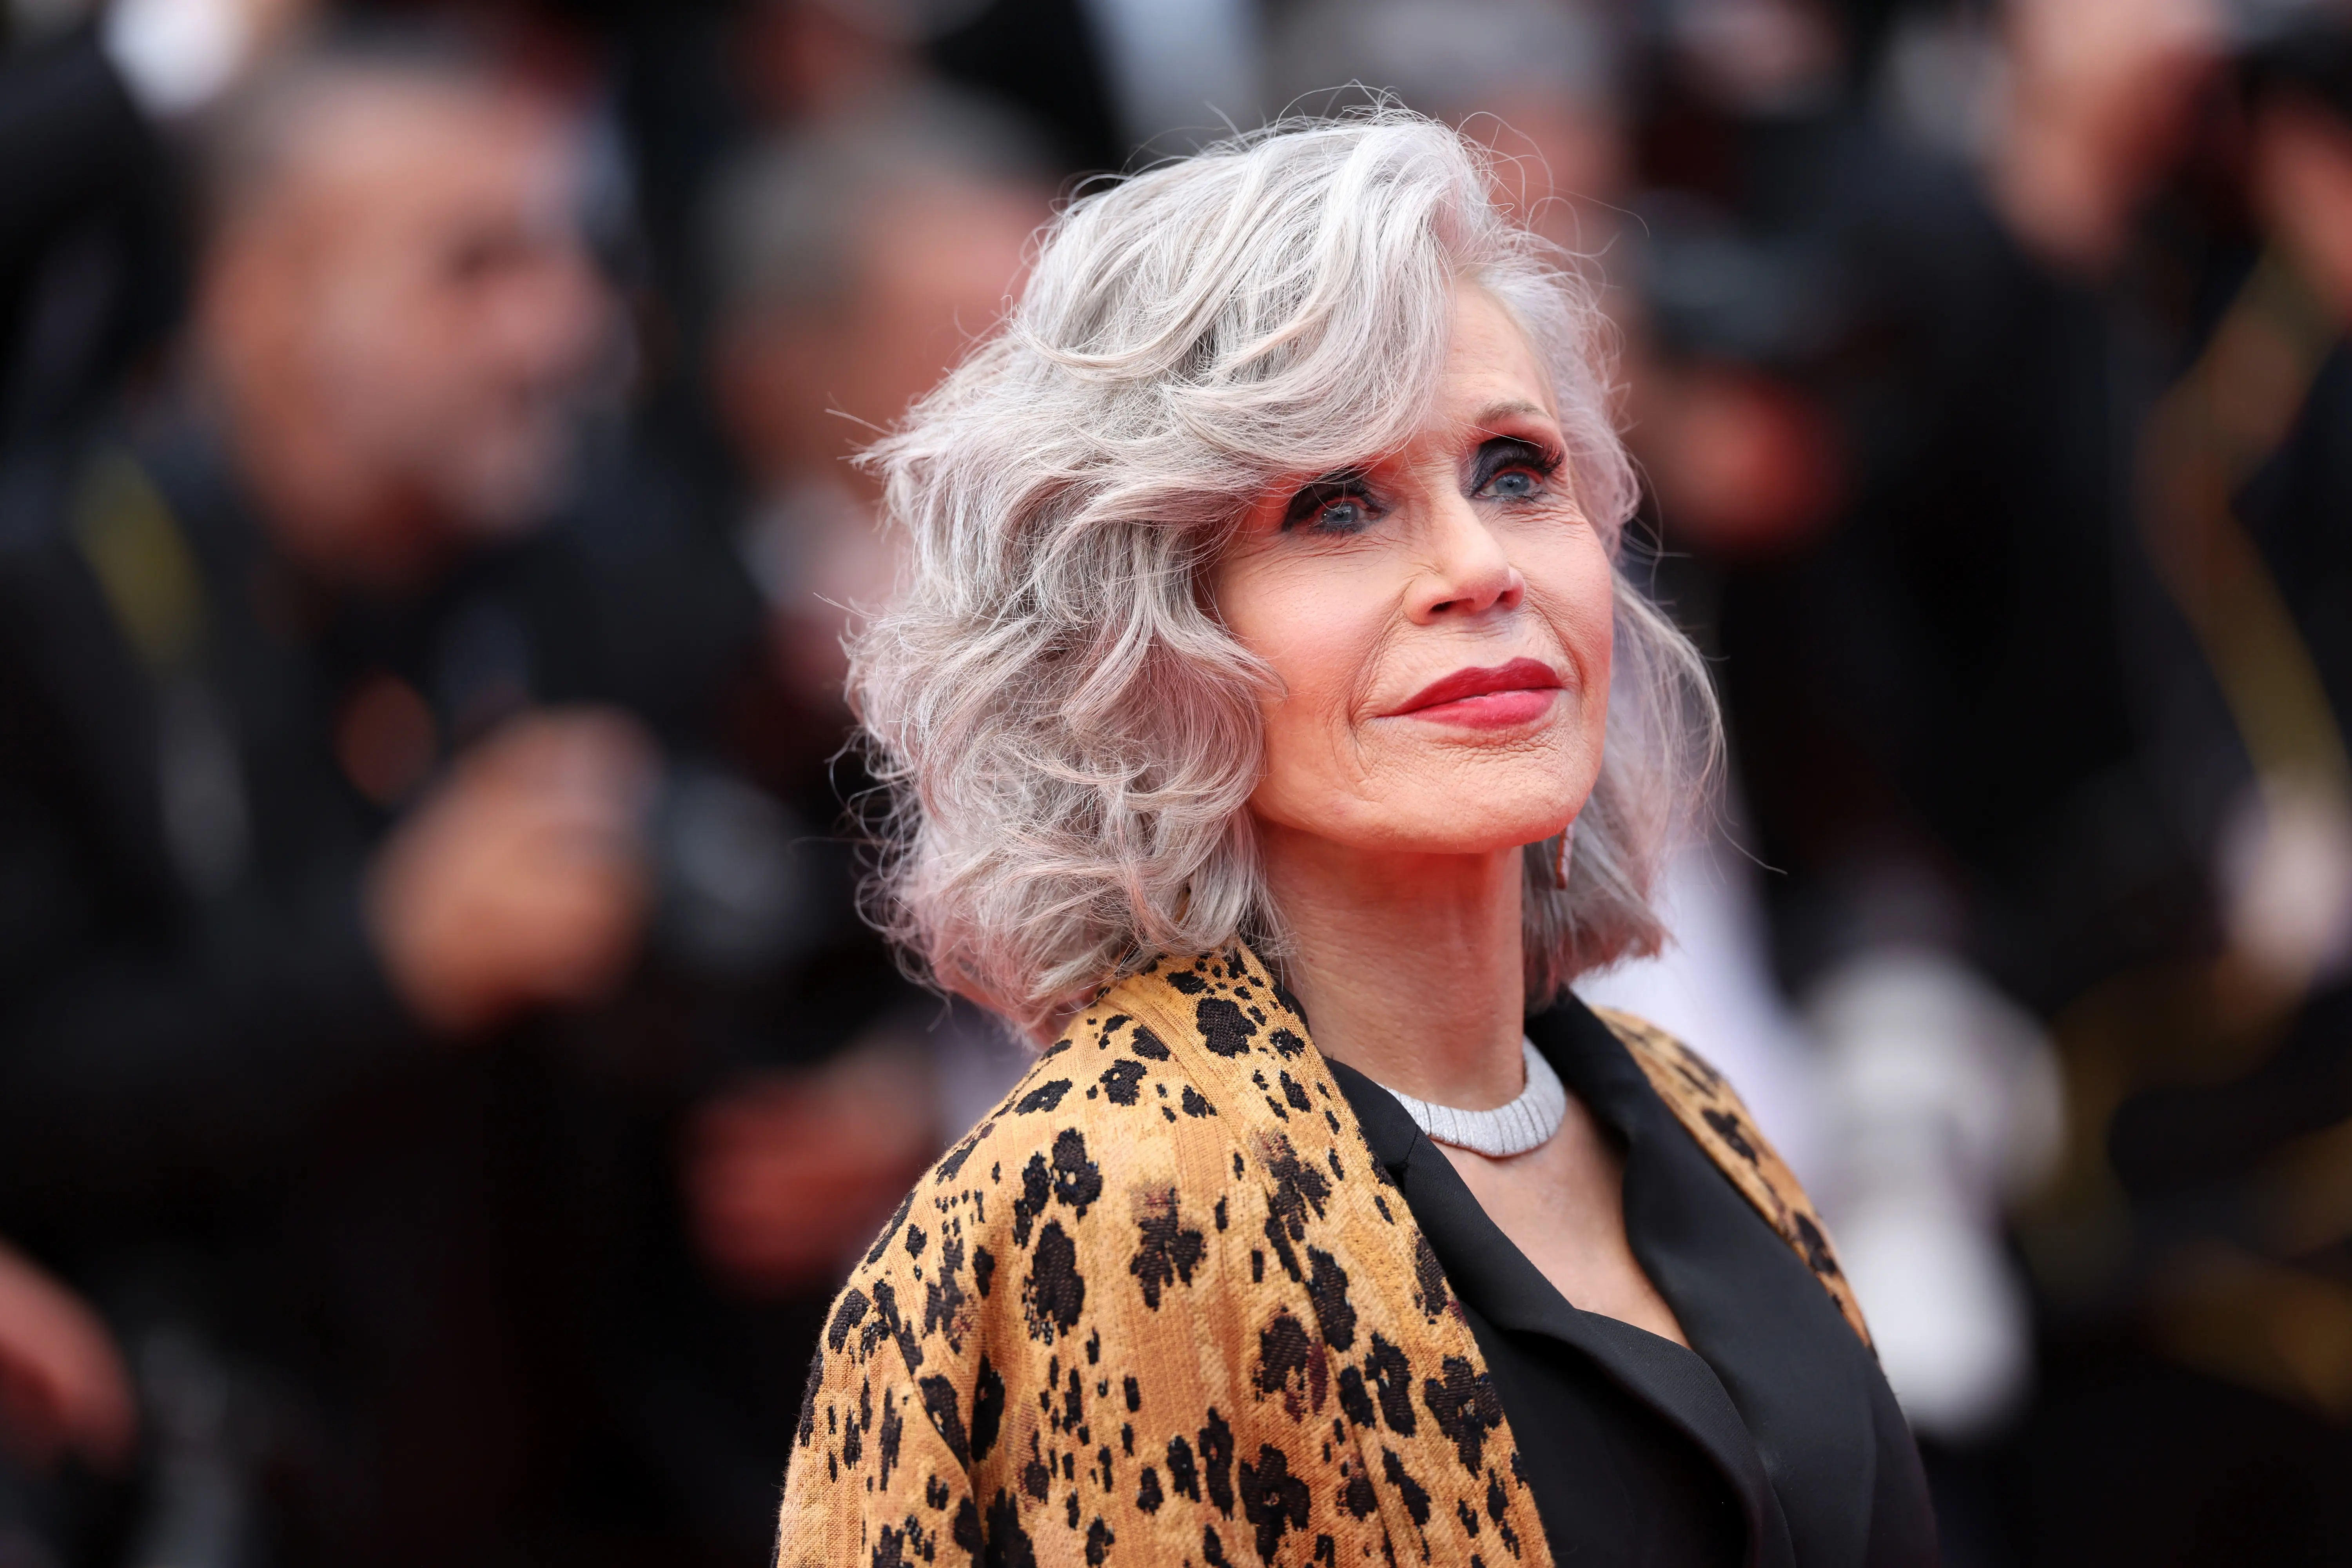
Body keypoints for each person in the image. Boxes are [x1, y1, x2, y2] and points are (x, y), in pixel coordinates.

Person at [775, 113, 1936, 1568]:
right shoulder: (1123, 1199)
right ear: (1140, 651)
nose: (1477, 567)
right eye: (1338, 507)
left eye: (1517, 472)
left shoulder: (1681, 1109)